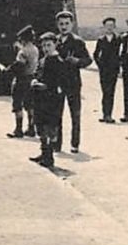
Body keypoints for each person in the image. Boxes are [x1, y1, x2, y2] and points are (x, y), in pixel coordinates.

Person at [53, 10, 92, 154]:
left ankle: (75, 144)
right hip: (57, 83)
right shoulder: (54, 41)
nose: (64, 27)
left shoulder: (77, 41)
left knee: (75, 114)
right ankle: (57, 143)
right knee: (57, 114)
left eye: (67, 24)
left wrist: (77, 61)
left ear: (72, 24)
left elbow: (88, 60)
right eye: (61, 24)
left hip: (73, 82)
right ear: (57, 25)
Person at [29, 32, 66, 169]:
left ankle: (49, 157)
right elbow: (37, 73)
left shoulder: (58, 61)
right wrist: (34, 80)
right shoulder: (42, 60)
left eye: (49, 45)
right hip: (40, 98)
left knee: (50, 127)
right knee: (40, 125)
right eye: (43, 45)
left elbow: (61, 82)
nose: (46, 48)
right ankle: (43, 152)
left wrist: (46, 86)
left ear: (55, 45)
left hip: (52, 100)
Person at [7, 25, 39, 139]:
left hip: (21, 80)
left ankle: (18, 129)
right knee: (29, 104)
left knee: (17, 104)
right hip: (31, 79)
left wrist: (9, 69)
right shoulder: (35, 49)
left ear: (23, 39)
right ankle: (31, 128)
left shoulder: (23, 52)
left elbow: (19, 66)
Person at [93, 17, 124, 124]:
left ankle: (109, 114)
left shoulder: (118, 39)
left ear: (114, 27)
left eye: (111, 26)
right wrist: (99, 64)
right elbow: (96, 54)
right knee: (105, 91)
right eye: (107, 26)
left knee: (111, 91)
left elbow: (122, 52)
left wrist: (119, 63)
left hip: (113, 69)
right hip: (103, 69)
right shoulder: (101, 40)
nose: (109, 28)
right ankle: (104, 113)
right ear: (104, 27)